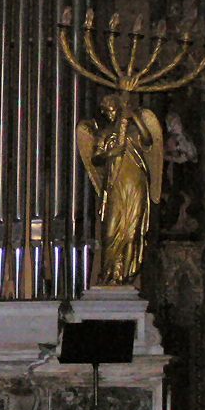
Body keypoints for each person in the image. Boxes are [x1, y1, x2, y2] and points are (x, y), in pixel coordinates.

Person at [77, 94, 162, 284]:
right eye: (105, 110)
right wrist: (111, 153)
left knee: (132, 232)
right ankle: (108, 272)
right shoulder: (104, 133)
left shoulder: (133, 129)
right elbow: (95, 159)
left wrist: (135, 118)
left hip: (136, 182)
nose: (109, 113)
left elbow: (148, 141)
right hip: (115, 183)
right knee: (110, 230)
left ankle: (125, 276)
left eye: (111, 108)